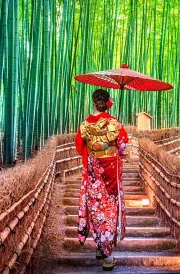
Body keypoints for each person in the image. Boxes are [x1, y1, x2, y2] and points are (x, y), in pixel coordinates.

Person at [75, 89, 128, 271]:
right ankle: (107, 256)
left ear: (93, 102)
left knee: (95, 207)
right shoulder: (115, 123)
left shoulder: (84, 124)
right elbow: (122, 146)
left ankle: (99, 246)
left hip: (92, 172)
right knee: (109, 210)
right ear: (107, 102)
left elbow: (79, 147)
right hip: (110, 172)